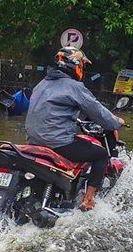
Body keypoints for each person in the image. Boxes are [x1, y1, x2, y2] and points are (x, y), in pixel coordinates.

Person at [25, 47, 123, 211]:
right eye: (82, 66)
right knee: (100, 155)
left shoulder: (42, 84)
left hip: (33, 141)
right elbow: (98, 111)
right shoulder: (74, 87)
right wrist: (116, 122)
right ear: (76, 66)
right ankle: (88, 200)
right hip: (58, 143)